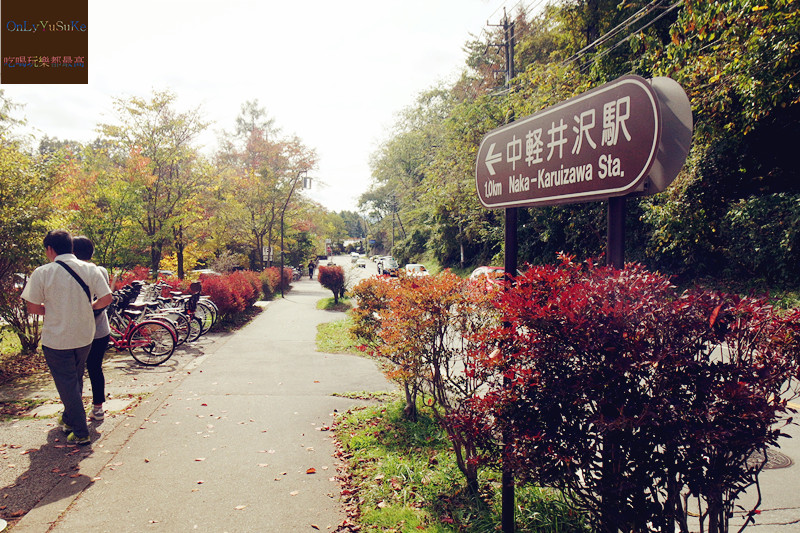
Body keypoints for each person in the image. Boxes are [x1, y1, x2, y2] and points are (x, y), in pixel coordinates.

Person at [21, 230, 112, 446]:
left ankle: (80, 431)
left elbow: (32, 307)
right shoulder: (91, 269)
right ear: (70, 247)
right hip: (85, 335)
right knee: (75, 378)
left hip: (57, 338)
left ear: (50, 249)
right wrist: (90, 306)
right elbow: (106, 298)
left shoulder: (43, 272)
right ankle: (70, 420)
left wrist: (53, 310)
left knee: (67, 384)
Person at [72, 236, 111, 422]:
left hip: (79, 330)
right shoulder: (100, 270)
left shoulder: (69, 271)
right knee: (95, 368)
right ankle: (98, 408)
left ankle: (73, 410)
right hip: (101, 329)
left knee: (75, 371)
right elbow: (104, 298)